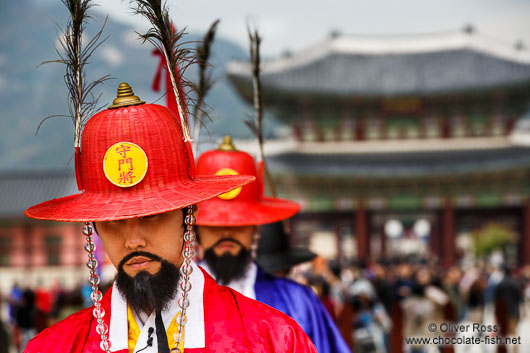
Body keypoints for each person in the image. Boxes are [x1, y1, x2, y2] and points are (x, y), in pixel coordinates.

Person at [23, 83, 317, 353]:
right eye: (113, 221)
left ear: (188, 215)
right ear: (94, 228)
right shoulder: (55, 347)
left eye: (152, 217)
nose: (133, 240)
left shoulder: (273, 339)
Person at [195, 136, 351, 353]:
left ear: (257, 227)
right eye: (214, 223)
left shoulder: (298, 301)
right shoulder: (175, 300)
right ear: (194, 228)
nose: (227, 231)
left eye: (239, 222)